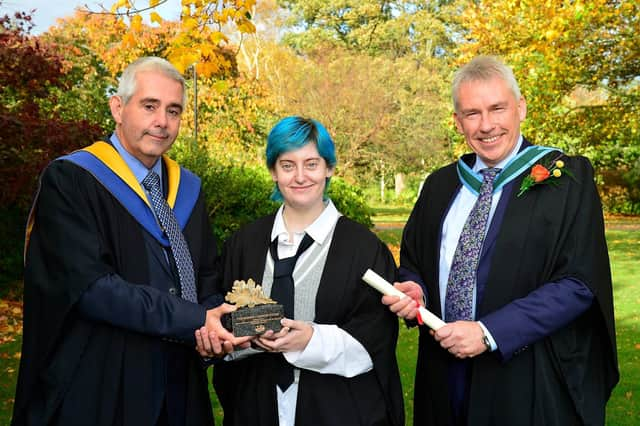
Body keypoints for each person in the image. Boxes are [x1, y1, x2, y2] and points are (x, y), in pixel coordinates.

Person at [382, 55, 618, 425]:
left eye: (497, 108)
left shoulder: (566, 180)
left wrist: (489, 332)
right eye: (472, 113)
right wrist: (416, 289)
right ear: (458, 122)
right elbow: (415, 259)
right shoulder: (441, 185)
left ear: (520, 108)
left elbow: (578, 282)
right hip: (443, 372)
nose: (486, 125)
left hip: (527, 373)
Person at [12, 57, 247, 426]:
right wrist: (195, 318)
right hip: (101, 384)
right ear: (118, 108)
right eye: (149, 106)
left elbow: (204, 275)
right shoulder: (73, 180)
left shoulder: (188, 188)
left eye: (174, 111)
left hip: (180, 388)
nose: (162, 122)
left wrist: (216, 326)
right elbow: (93, 289)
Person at [196, 116, 404, 426]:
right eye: (287, 165)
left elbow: (375, 335)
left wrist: (310, 340)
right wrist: (234, 339)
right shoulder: (245, 244)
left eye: (311, 164)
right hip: (255, 404)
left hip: (336, 409)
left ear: (329, 168)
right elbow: (220, 314)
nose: (300, 176)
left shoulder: (363, 249)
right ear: (273, 171)